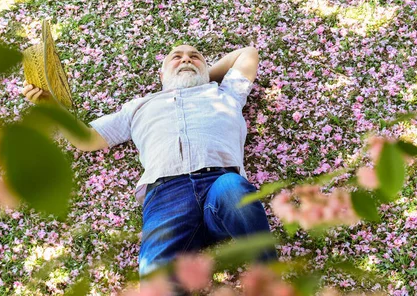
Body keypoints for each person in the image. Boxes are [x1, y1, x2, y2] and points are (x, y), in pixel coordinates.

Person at [22, 44, 276, 294]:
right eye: (176, 58)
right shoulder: (138, 107)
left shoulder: (226, 93)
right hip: (167, 195)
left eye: (195, 57)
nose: (186, 60)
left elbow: (248, 53)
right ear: (162, 75)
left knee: (233, 188)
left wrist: (201, 75)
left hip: (220, 183)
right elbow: (86, 138)